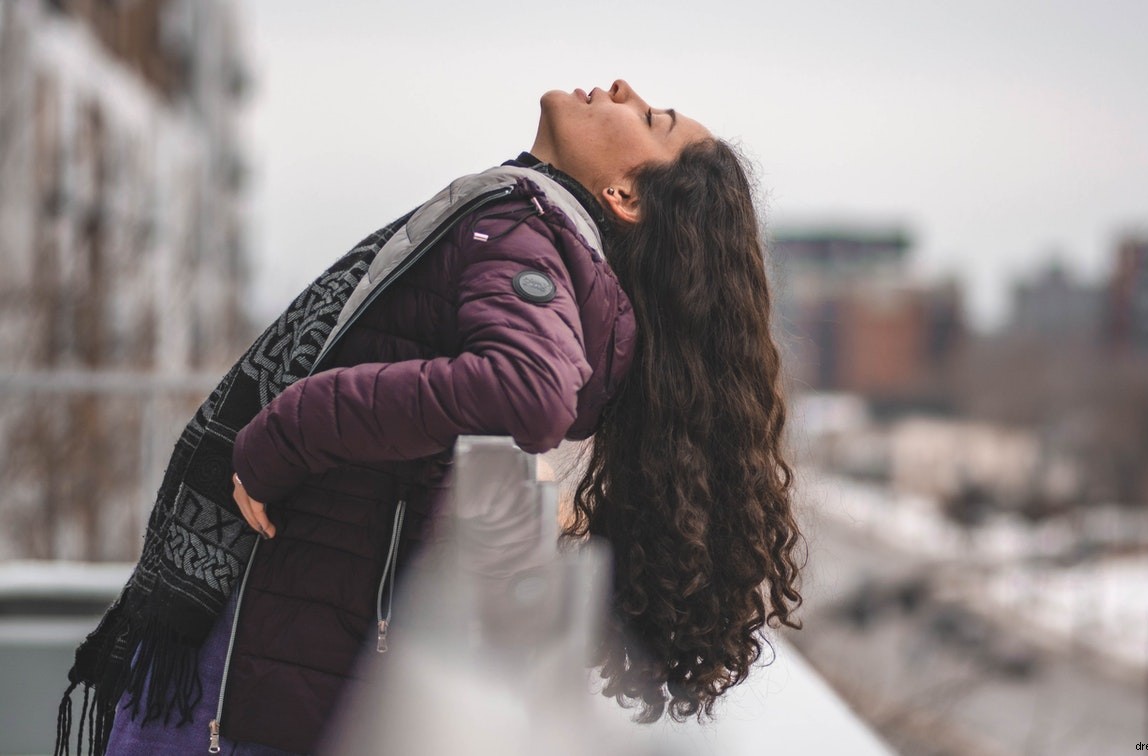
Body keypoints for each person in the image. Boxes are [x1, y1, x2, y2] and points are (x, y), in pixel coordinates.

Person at [56, 79, 804, 756]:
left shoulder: (523, 226)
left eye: (650, 118)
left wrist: (289, 426)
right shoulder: (535, 234)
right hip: (300, 647)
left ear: (624, 197)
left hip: (264, 660)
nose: (621, 89)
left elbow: (529, 386)